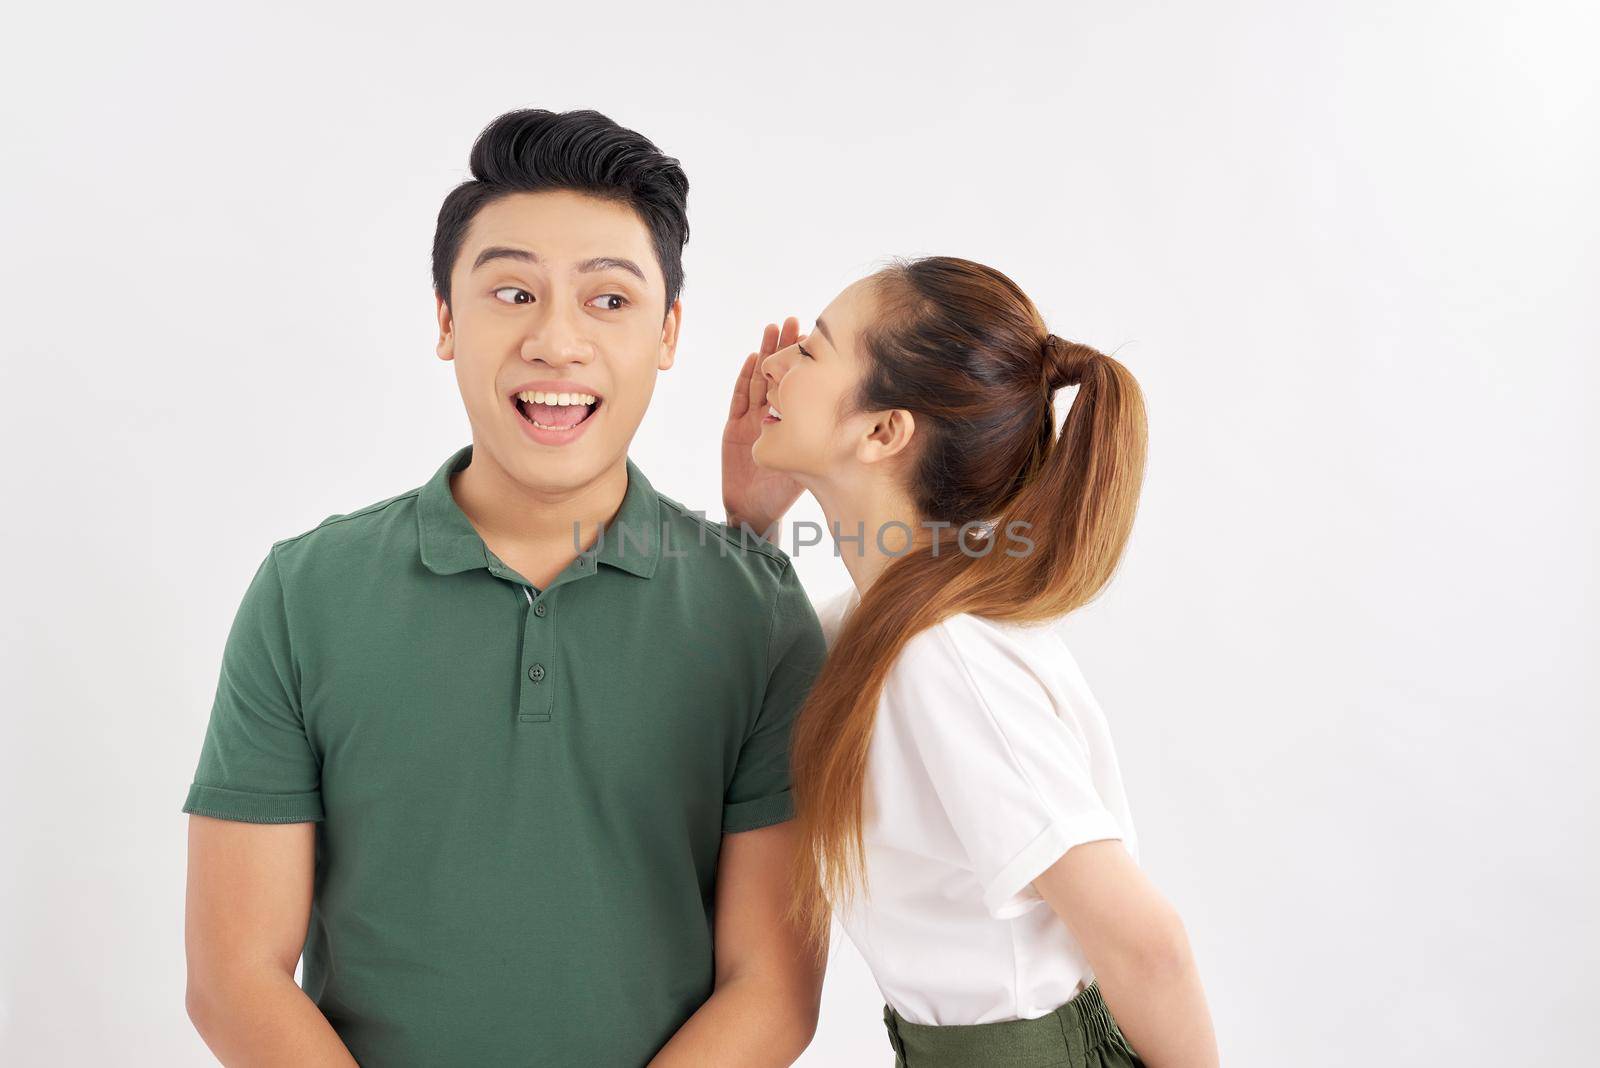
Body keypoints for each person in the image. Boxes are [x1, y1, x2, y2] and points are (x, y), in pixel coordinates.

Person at [181, 108, 827, 1067]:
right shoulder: (304, 593)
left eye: (608, 301)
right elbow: (236, 976)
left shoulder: (761, 615)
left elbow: (772, 991)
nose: (556, 342)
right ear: (446, 318)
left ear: (668, 333)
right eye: (513, 292)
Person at [722, 258, 1220, 1067]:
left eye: (811, 352)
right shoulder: (869, 629)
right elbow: (740, 705)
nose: (774, 366)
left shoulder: (941, 654)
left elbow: (1148, 944)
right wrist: (749, 526)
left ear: (883, 431)